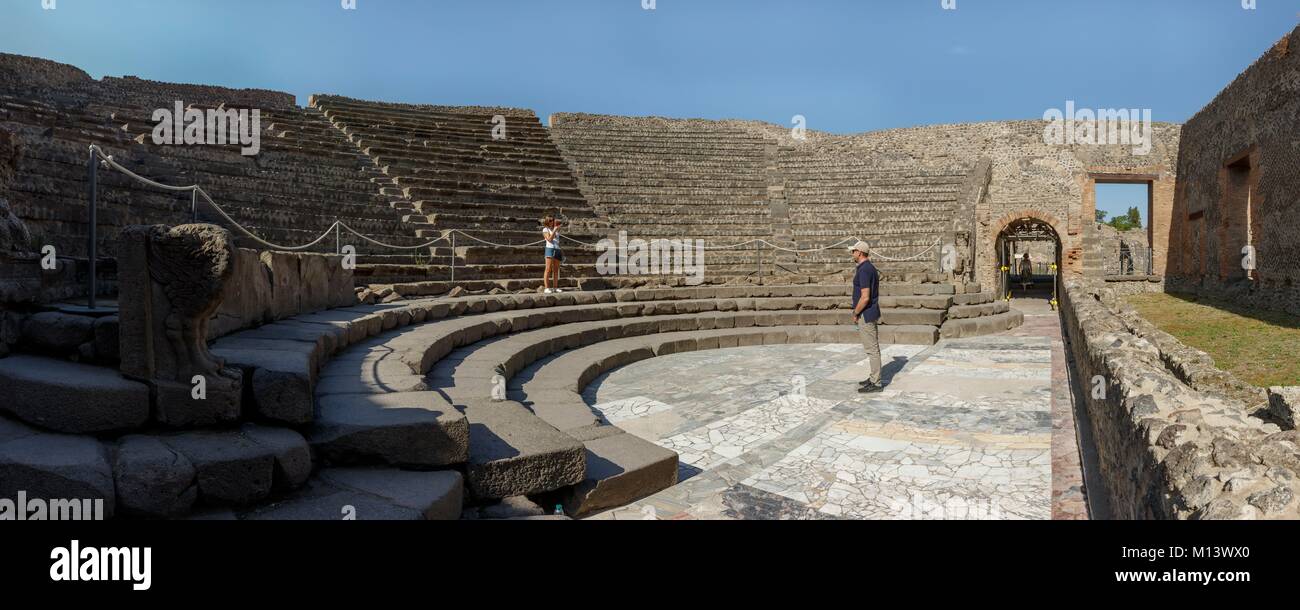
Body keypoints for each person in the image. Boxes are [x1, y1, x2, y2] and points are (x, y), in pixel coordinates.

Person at [849, 241, 883, 393]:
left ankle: (876, 383)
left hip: (866, 313)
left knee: (872, 349)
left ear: (860, 253)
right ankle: (873, 377)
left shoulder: (864, 270)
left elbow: (865, 297)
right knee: (872, 347)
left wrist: (856, 313)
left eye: (853, 251)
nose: (852, 254)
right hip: (870, 312)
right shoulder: (869, 268)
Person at [542, 215, 564, 294]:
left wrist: (556, 229)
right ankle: (546, 288)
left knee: (556, 270)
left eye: (553, 220)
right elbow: (549, 239)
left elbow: (557, 241)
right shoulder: (545, 229)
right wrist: (554, 230)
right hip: (549, 249)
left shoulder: (556, 230)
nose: (552, 221)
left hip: (557, 249)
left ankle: (555, 287)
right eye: (551, 220)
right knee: (548, 269)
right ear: (547, 221)